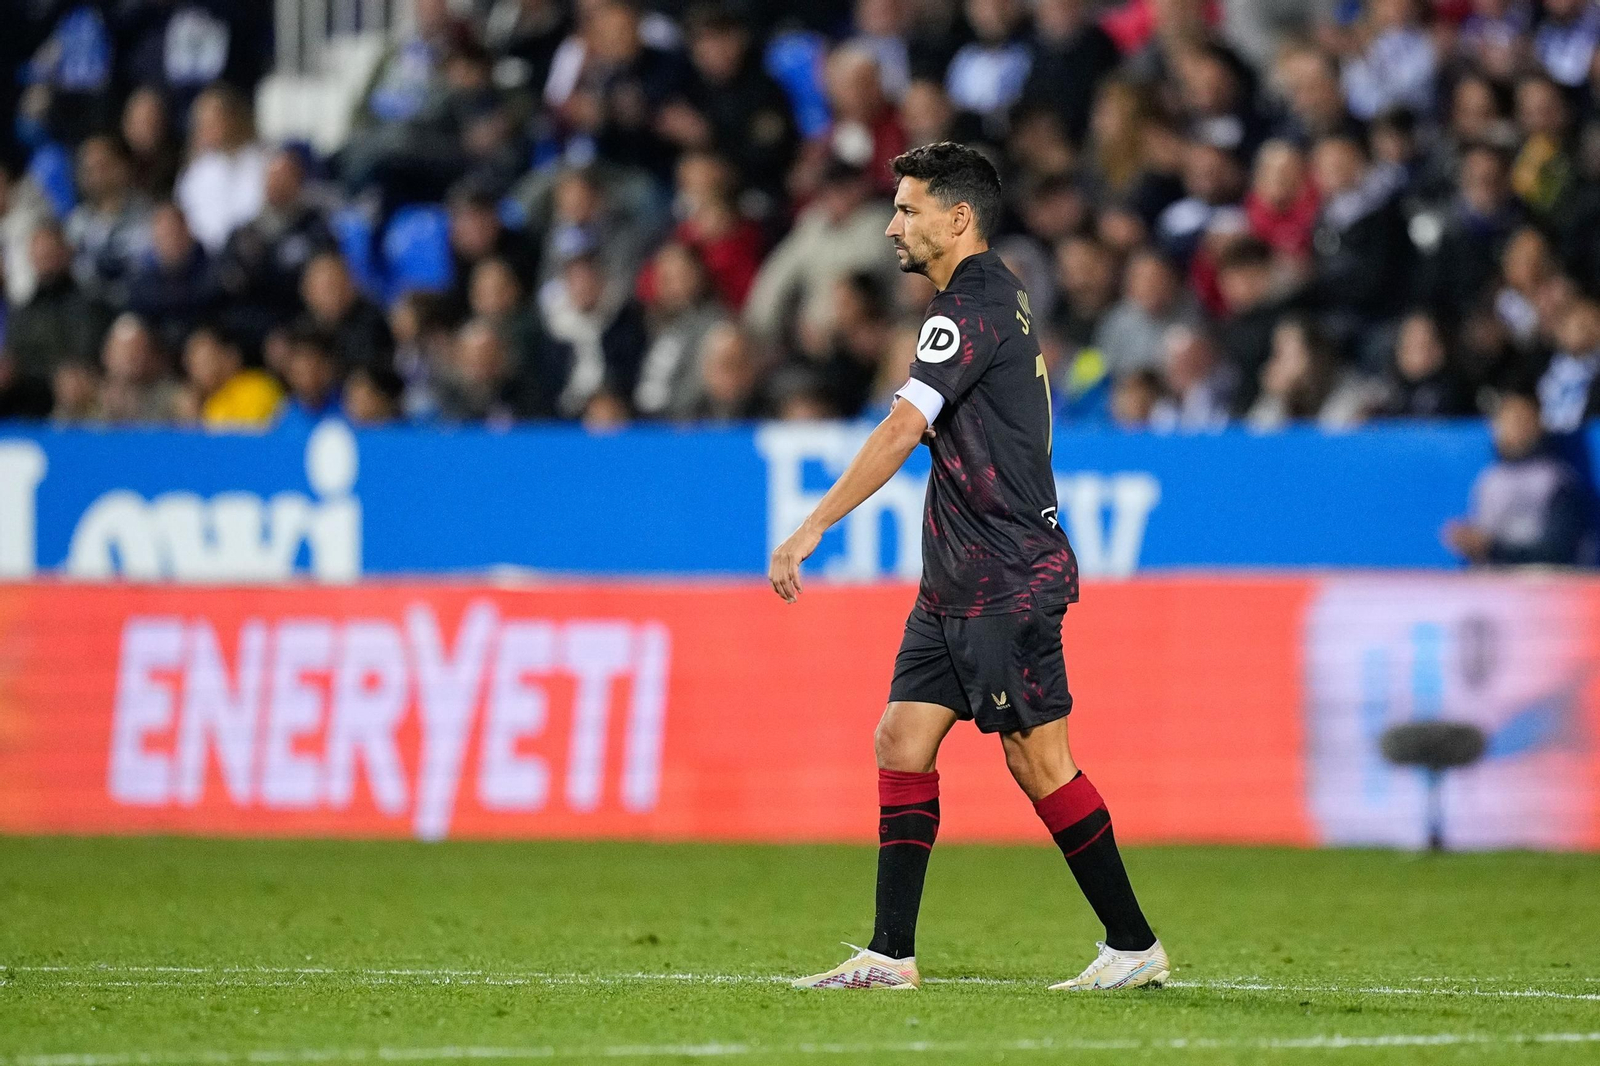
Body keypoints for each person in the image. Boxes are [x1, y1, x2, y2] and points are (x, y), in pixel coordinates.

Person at [778, 142, 1166, 992]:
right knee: (902, 738)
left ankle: (1133, 944)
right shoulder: (1002, 295)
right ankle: (889, 954)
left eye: (908, 210)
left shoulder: (971, 307)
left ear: (958, 219)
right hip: (958, 574)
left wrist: (813, 525)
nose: (892, 226)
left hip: (1003, 571)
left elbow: (899, 430)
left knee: (1039, 760)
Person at [1442, 391, 1589, 566]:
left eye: (1521, 420)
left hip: (1543, 583)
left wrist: (1492, 548)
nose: (1514, 429)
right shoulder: (1490, 479)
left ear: (1538, 425)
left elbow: (1560, 550)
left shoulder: (1556, 480)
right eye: (1507, 421)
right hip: (1492, 585)